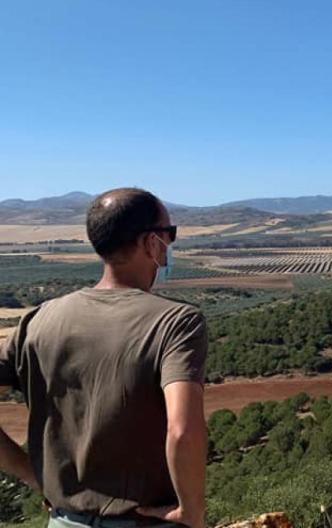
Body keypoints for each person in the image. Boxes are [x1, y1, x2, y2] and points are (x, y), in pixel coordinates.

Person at [0, 188, 208, 528]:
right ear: (151, 243)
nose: (169, 248)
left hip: (63, 521)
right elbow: (183, 430)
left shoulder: (37, 320)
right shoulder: (176, 323)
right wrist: (191, 511)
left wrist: (32, 475)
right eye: (169, 236)